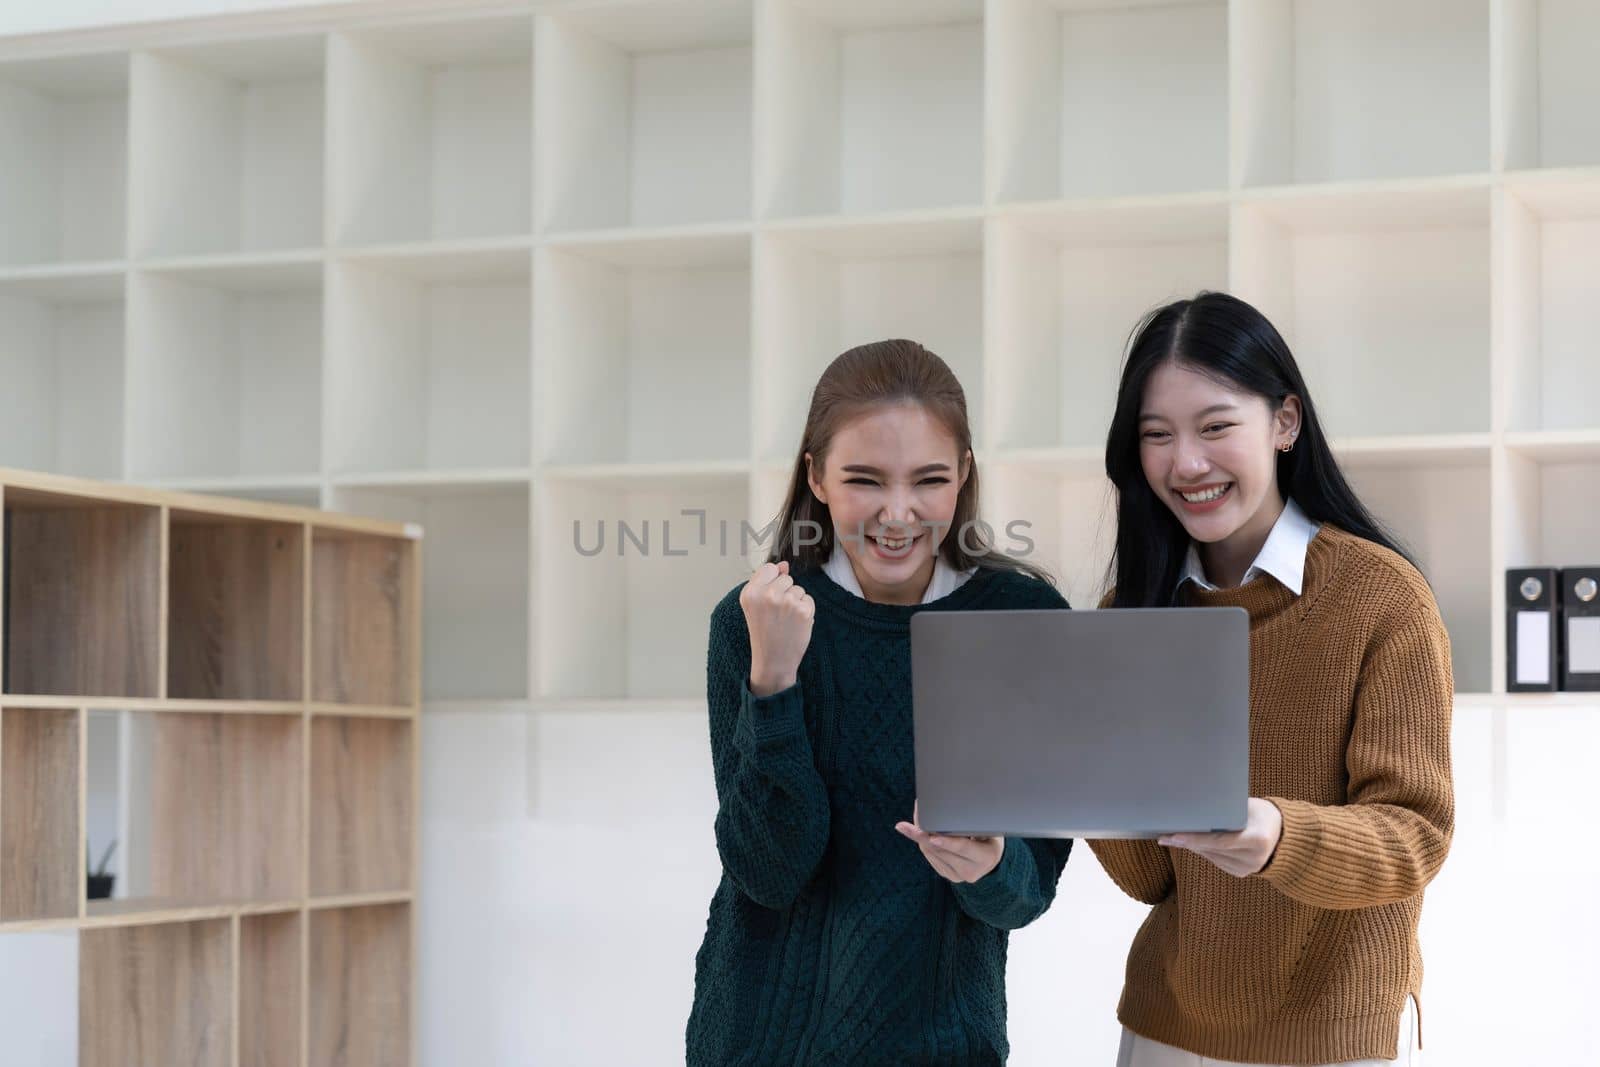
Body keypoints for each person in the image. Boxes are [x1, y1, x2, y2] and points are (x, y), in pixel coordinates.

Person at [686, 339, 1073, 1065]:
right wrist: (773, 682)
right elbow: (768, 871)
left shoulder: (1023, 622)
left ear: (964, 474)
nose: (898, 513)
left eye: (929, 479)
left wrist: (988, 865)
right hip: (761, 1043)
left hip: (943, 1045)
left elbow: (1030, 891)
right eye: (864, 479)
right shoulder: (752, 619)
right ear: (817, 476)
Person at [1092, 292, 1453, 1066]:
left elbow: (1414, 836)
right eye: (1157, 435)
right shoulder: (1135, 612)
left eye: (1216, 426)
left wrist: (1278, 836)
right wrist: (1082, 778)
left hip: (1337, 1035)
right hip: (1164, 1028)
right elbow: (1152, 874)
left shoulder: (1381, 598)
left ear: (1285, 422)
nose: (1185, 462)